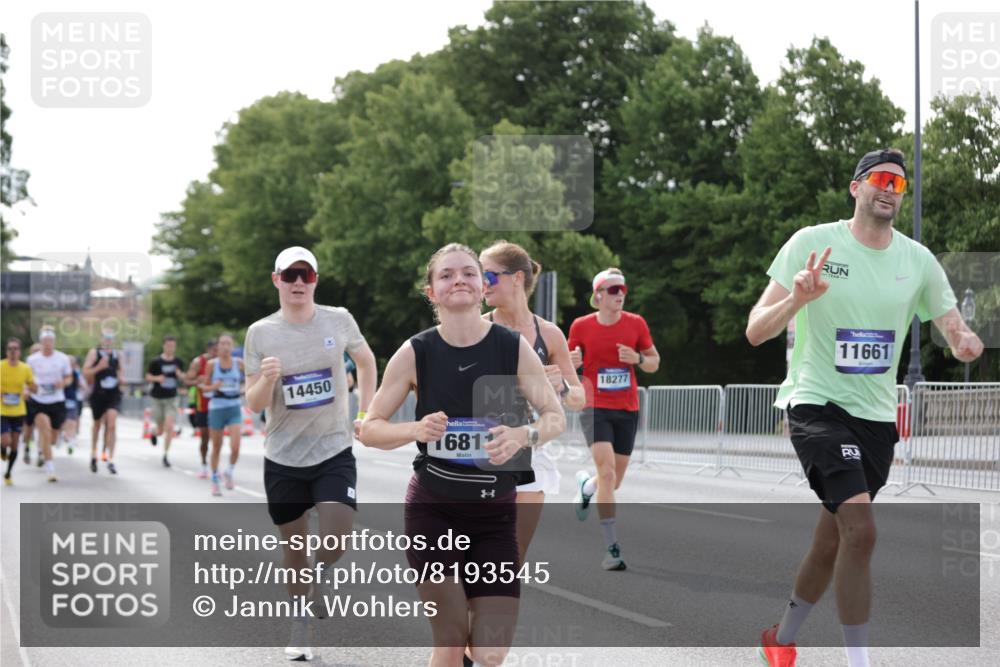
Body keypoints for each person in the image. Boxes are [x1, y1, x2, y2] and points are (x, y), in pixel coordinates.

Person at [746, 148, 984, 667]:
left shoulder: (916, 260)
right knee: (863, 528)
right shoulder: (812, 244)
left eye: (898, 184)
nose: (889, 189)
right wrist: (797, 301)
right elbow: (756, 329)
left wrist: (965, 341)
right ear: (856, 187)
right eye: (879, 179)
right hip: (817, 404)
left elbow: (950, 323)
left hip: (876, 418)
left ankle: (780, 639)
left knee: (832, 539)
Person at [360, 243, 565, 667]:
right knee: (452, 640)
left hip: (495, 516)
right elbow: (371, 429)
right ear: (431, 292)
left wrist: (521, 435)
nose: (459, 280)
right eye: (447, 275)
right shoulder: (416, 351)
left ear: (481, 285)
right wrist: (415, 429)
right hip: (434, 510)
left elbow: (554, 417)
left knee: (489, 653)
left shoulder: (511, 347)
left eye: (470, 273)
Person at [244, 246, 377, 661]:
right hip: (283, 456)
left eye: (306, 275)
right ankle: (299, 627)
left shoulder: (338, 319)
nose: (298, 282)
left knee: (336, 536)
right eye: (290, 275)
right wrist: (268, 380)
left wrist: (367, 413)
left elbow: (367, 361)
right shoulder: (260, 332)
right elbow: (252, 403)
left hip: (333, 448)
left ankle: (317, 579)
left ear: (316, 279)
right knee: (294, 548)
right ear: (276, 280)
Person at [480, 240, 585, 563]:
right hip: (486, 451)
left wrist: (563, 386)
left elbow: (579, 399)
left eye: (489, 276)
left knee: (513, 554)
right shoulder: (478, 328)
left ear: (516, 279)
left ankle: (491, 611)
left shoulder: (549, 334)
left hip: (532, 451)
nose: (482, 283)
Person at [568, 268, 660, 571]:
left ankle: (587, 487)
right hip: (593, 404)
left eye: (622, 289)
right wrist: (571, 362)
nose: (620, 294)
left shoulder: (636, 324)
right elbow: (565, 364)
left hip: (626, 407)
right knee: (607, 472)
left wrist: (639, 360)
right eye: (612, 290)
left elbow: (654, 363)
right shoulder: (581, 326)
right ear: (598, 295)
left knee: (614, 481)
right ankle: (612, 547)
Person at [200, 333, 245, 496]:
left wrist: (245, 388)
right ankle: (214, 480)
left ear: (232, 347)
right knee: (217, 447)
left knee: (235, 446)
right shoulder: (212, 364)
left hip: (234, 407)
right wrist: (213, 386)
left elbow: (252, 377)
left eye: (228, 344)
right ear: (217, 347)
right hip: (217, 408)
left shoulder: (238, 363)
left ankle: (229, 472)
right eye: (223, 344)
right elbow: (204, 387)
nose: (225, 347)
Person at [26, 327, 73, 482]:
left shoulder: (62, 358)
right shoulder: (32, 360)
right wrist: (28, 389)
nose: (47, 344)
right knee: (44, 429)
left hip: (56, 401)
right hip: (38, 400)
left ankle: (42, 448)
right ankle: (50, 468)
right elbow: (26, 380)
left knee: (52, 439)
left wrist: (63, 383)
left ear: (54, 342)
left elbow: (69, 378)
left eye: (50, 341)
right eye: (44, 341)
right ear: (41, 343)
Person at [83, 330, 124, 474]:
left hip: (113, 393)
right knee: (97, 425)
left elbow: (121, 371)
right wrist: (98, 368)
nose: (108, 340)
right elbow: (85, 372)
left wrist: (121, 379)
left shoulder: (118, 354)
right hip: (98, 393)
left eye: (110, 338)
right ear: (101, 339)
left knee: (112, 425)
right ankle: (94, 453)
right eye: (105, 338)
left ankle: (110, 458)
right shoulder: (94, 353)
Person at [146, 335, 186, 467]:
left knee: (169, 427)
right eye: (168, 346)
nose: (170, 348)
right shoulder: (156, 362)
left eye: (172, 346)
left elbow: (183, 377)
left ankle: (166, 454)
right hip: (157, 397)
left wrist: (181, 376)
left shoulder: (178, 362)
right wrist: (158, 378)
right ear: (164, 346)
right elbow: (148, 376)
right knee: (160, 430)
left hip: (172, 397)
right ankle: (153, 433)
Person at [1, 337, 36, 485]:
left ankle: (8, 473)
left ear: (20, 352)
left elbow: (34, 387)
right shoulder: (1, 366)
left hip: (18, 410)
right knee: (6, 440)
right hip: (2, 410)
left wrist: (28, 390)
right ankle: (2, 448)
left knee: (15, 444)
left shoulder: (25, 368)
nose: (13, 352)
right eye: (10, 349)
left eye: (15, 349)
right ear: (6, 351)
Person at [186, 338, 217, 478]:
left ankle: (214, 467)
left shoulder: (223, 362)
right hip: (202, 404)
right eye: (214, 350)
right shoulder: (198, 362)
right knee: (204, 437)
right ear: (208, 349)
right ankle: (204, 464)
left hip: (218, 404)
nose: (217, 353)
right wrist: (196, 381)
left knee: (217, 438)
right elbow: (187, 380)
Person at [20, 342, 42, 465]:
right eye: (35, 352)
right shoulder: (26, 368)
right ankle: (27, 448)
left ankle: (40, 451)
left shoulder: (46, 366)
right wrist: (26, 391)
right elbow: (23, 382)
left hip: (43, 401)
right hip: (30, 400)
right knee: (29, 427)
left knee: (41, 427)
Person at [59, 356, 85, 456]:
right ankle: (62, 435)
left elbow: (82, 385)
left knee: (72, 421)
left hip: (72, 400)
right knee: (62, 421)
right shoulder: (61, 373)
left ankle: (71, 440)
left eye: (72, 363)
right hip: (61, 400)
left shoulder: (76, 373)